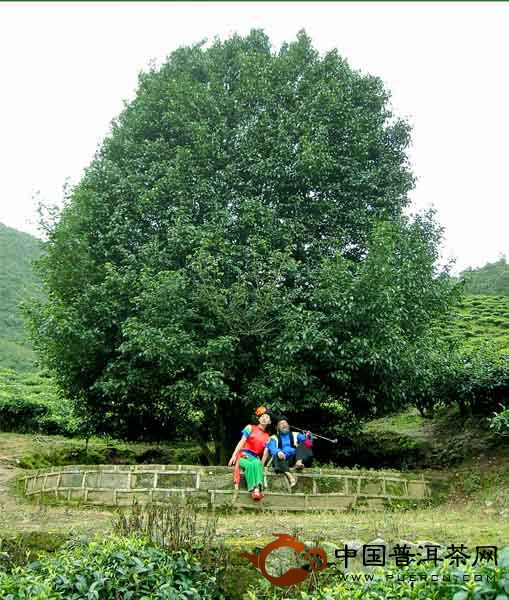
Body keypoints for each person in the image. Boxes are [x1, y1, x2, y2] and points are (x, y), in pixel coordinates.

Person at [228, 406, 271, 501]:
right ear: (259, 418)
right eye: (262, 416)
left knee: (256, 463)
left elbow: (265, 453)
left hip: (255, 458)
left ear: (269, 421)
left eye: (267, 417)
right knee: (251, 464)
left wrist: (262, 465)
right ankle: (254, 490)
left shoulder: (267, 436)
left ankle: (256, 490)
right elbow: (241, 442)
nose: (264, 418)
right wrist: (234, 455)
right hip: (243, 455)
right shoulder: (250, 427)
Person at [264, 415, 313, 488]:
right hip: (283, 460)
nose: (284, 425)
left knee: (304, 443)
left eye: (285, 423)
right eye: (281, 424)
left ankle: (298, 463)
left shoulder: (296, 434)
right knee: (276, 456)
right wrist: (278, 452)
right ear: (277, 428)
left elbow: (309, 444)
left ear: (288, 425)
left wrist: (308, 437)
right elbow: (272, 448)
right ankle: (290, 476)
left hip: (295, 458)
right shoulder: (274, 438)